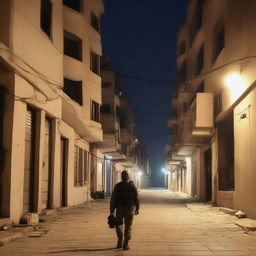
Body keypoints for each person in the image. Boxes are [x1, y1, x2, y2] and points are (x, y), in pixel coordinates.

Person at [110, 170, 140, 250]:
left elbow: (113, 198)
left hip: (119, 209)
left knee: (118, 225)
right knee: (128, 226)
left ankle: (120, 240)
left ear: (121, 177)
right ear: (128, 177)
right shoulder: (132, 186)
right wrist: (137, 208)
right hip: (129, 209)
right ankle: (126, 243)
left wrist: (111, 210)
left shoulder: (117, 186)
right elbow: (137, 197)